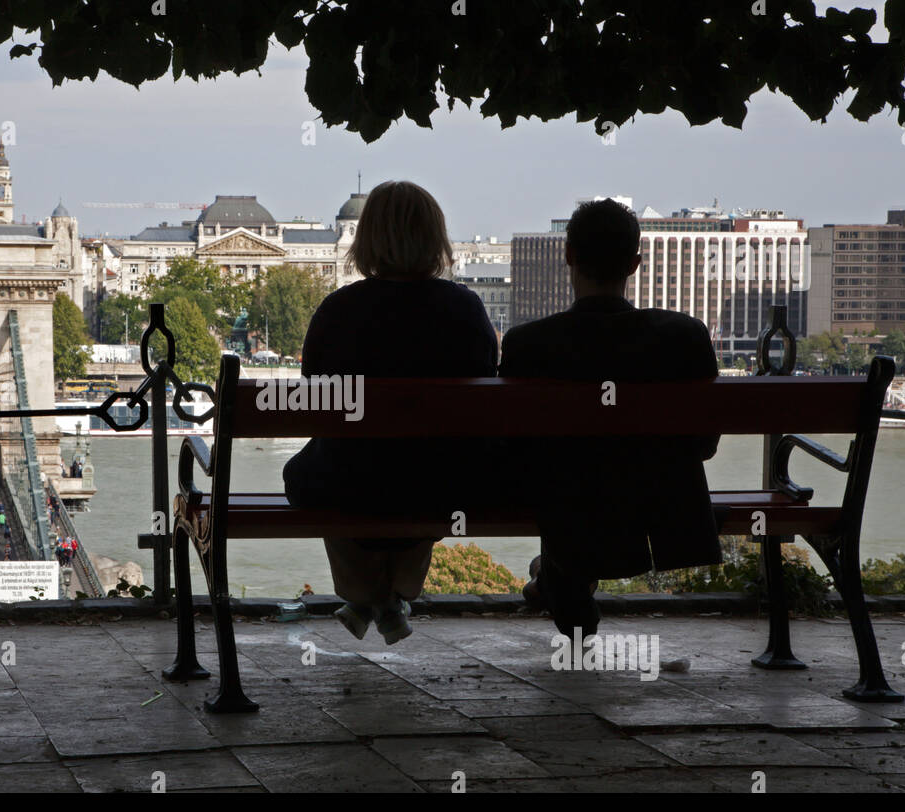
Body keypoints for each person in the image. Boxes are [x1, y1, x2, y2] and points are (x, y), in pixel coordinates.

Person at [282, 180, 498, 645]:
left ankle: (367, 596)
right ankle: (391, 596)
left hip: (349, 482)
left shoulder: (338, 310)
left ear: (366, 242)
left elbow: (315, 403)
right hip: (442, 485)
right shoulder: (464, 309)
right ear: (435, 239)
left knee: (319, 471)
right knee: (426, 469)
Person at [499, 199, 723, 639]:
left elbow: (513, 448)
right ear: (636, 264)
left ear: (568, 256)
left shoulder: (528, 343)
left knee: (561, 477)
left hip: (561, 498)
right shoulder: (685, 336)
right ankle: (558, 578)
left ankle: (560, 578)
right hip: (658, 500)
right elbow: (704, 445)